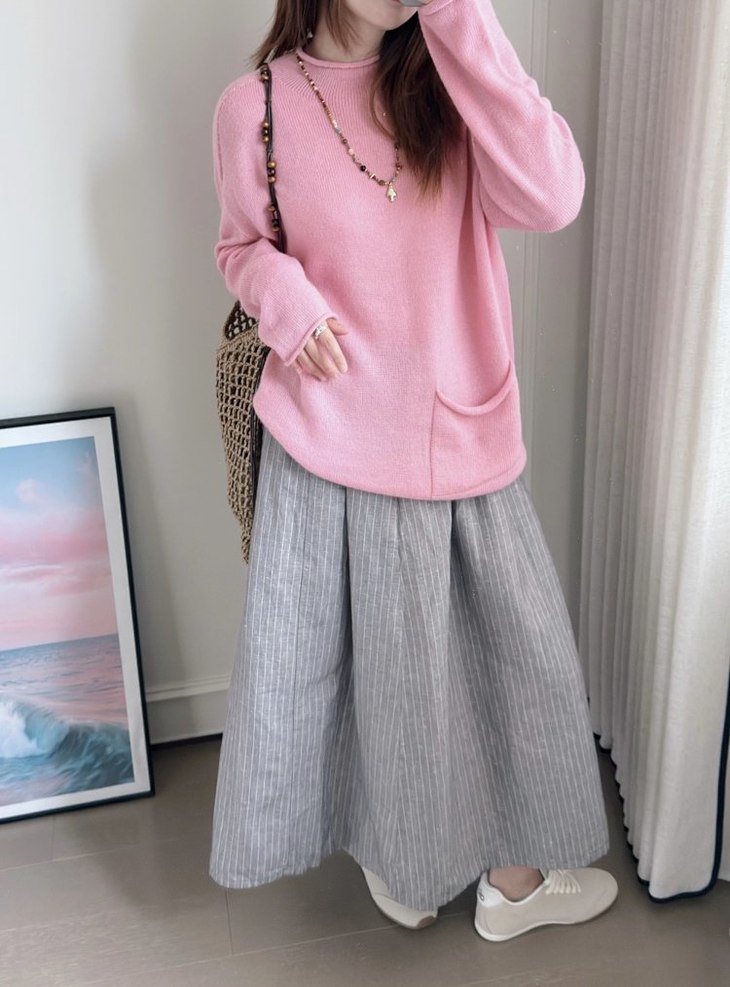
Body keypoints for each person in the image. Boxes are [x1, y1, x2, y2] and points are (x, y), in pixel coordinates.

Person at [209, 0, 618, 942]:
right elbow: (240, 247)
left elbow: (553, 195)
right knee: (377, 677)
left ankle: (511, 883)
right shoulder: (254, 105)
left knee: (512, 668)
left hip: (455, 433)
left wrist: (459, 18)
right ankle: (409, 862)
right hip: (329, 443)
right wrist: (286, 300)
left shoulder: (453, 82)